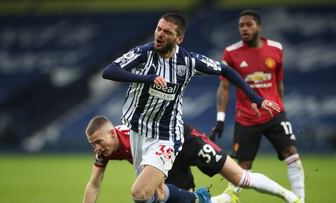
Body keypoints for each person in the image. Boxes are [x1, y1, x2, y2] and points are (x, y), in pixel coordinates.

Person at [102, 12, 280, 203]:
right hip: (138, 133)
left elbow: (226, 70)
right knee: (156, 195)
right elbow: (109, 71)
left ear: (179, 39)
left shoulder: (189, 61)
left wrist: (256, 98)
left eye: (167, 32)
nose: (159, 34)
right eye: (158, 29)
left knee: (139, 193)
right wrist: (148, 78)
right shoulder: (143, 54)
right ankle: (198, 200)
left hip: (166, 136)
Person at [82, 115, 301, 203]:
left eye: (99, 142)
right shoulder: (103, 151)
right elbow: (94, 185)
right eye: (93, 144)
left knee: (239, 178)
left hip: (184, 141)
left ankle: (292, 197)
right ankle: (220, 201)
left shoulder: (134, 133)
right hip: (164, 161)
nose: (97, 148)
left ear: (112, 132)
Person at [211, 9, 305, 203]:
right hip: (246, 118)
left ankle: (300, 200)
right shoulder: (231, 52)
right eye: (241, 25)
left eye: (248, 24)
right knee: (243, 166)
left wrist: (281, 108)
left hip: (274, 114)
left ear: (259, 27)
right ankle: (231, 198)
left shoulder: (276, 48)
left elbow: (278, 82)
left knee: (292, 154)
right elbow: (224, 86)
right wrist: (220, 118)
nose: (244, 29)